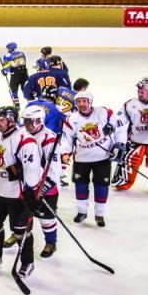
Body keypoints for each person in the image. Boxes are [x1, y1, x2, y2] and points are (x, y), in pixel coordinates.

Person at [0, 106, 41, 279]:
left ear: (12, 120)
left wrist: (30, 192)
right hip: (0, 192)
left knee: (21, 231)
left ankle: (28, 263)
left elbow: (32, 169)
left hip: (18, 195)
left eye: (2, 119)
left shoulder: (24, 141)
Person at [10, 107, 62, 258]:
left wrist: (42, 188)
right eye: (24, 120)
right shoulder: (21, 134)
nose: (25, 124)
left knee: (46, 217)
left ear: (39, 121)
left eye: (28, 121)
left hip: (46, 187)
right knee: (21, 213)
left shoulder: (49, 139)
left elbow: (54, 170)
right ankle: (18, 234)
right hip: (25, 185)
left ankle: (51, 243)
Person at [62, 91, 116, 226]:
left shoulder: (104, 112)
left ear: (90, 101)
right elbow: (66, 139)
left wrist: (118, 145)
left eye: (84, 101)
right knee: (80, 185)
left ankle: (100, 215)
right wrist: (65, 152)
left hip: (102, 158)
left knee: (101, 186)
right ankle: (82, 212)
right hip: (81, 158)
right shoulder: (71, 119)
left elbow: (119, 128)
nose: (81, 104)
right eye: (79, 101)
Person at [113, 78, 148, 191]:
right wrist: (112, 125)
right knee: (130, 162)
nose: (139, 94)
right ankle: (122, 183)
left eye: (142, 92)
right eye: (138, 91)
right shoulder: (130, 104)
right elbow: (118, 119)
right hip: (135, 140)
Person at [1, 42, 28, 110]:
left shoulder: (7, 56)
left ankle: (16, 104)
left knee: (13, 89)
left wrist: (4, 70)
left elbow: (7, 69)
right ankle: (30, 101)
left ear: (9, 49)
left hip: (15, 74)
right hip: (24, 73)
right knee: (25, 89)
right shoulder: (21, 53)